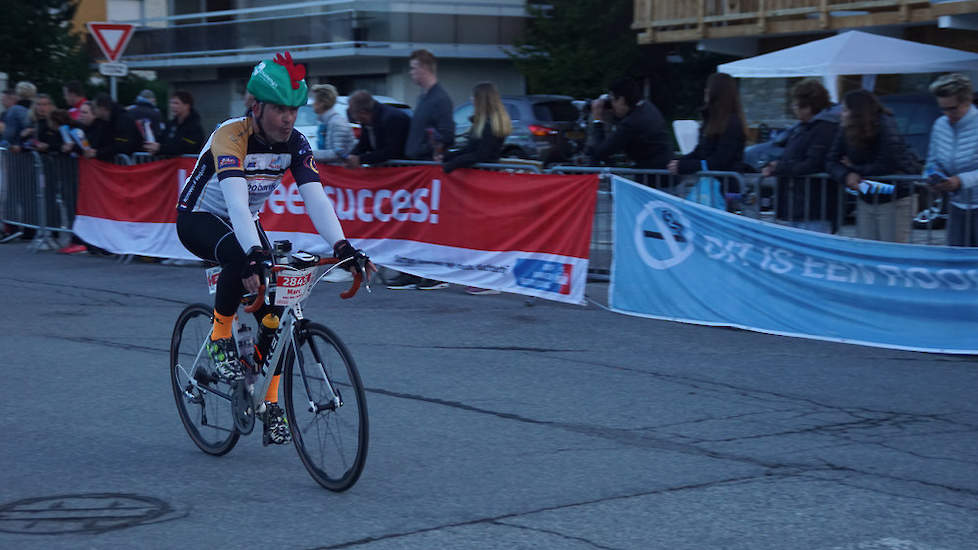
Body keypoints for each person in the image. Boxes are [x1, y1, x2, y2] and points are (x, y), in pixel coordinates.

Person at [175, 52, 374, 446]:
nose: (288, 118)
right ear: (257, 106)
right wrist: (253, 253)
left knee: (278, 308)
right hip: (200, 216)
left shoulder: (295, 143)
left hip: (245, 219)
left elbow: (316, 199)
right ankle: (219, 336)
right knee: (238, 253)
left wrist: (343, 245)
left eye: (293, 110)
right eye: (280, 109)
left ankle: (267, 402)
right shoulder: (230, 136)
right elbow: (234, 202)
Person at [825, 89, 921, 243]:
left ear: (856, 112)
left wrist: (855, 170)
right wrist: (846, 175)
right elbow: (831, 160)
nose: (840, 114)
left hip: (894, 197)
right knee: (867, 249)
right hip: (867, 196)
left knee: (890, 252)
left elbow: (887, 163)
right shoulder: (846, 129)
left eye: (845, 110)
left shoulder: (885, 125)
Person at [762, 78, 841, 233]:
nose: (794, 108)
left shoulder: (825, 129)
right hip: (798, 205)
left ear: (809, 107)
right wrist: (777, 164)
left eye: (796, 104)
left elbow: (812, 163)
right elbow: (793, 157)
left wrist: (779, 167)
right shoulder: (802, 128)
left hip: (814, 207)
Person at [923, 73, 978, 247]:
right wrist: (932, 176)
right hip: (956, 206)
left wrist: (960, 181)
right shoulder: (940, 125)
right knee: (955, 262)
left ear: (967, 101)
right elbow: (932, 161)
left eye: (952, 108)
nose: (947, 114)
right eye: (943, 109)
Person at [668, 72, 747, 176]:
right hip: (711, 183)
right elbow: (700, 151)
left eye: (709, 87)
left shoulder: (732, 123)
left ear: (716, 92)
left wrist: (685, 166)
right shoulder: (710, 120)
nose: (706, 91)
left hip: (725, 186)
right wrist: (678, 162)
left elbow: (721, 161)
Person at [585, 77, 671, 169]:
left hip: (651, 177)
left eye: (613, 100)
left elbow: (600, 152)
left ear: (621, 100)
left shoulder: (631, 123)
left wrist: (598, 120)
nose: (612, 105)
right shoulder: (647, 107)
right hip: (663, 169)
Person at [404, 49, 454, 160]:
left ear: (424, 68)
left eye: (413, 68)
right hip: (417, 163)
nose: (410, 72)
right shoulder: (422, 98)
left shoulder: (440, 99)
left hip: (426, 165)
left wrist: (425, 150)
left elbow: (447, 136)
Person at [345, 90, 410, 168]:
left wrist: (360, 159)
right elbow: (363, 144)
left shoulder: (392, 118)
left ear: (363, 112)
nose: (354, 118)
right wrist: (352, 156)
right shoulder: (368, 120)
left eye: (353, 114)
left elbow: (392, 150)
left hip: (401, 169)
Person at [143, 91, 205, 156]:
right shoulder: (171, 124)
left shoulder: (194, 126)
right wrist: (152, 146)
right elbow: (162, 140)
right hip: (170, 164)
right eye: (171, 103)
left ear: (187, 105)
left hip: (187, 164)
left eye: (176, 103)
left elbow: (188, 147)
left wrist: (160, 148)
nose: (172, 106)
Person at [90, 93, 143, 161]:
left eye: (94, 108)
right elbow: (97, 140)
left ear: (102, 108)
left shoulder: (124, 119)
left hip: (132, 165)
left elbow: (123, 144)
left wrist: (98, 153)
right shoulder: (101, 121)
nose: (92, 110)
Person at [310, 84, 355, 164]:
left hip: (339, 172)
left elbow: (339, 153)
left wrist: (308, 154)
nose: (312, 104)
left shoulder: (337, 122)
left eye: (315, 100)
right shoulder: (326, 122)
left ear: (322, 103)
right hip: (331, 172)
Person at [1, 82, 36, 151]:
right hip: (29, 148)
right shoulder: (35, 108)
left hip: (14, 149)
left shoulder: (15, 109)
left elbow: (9, 133)